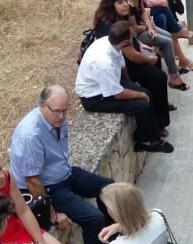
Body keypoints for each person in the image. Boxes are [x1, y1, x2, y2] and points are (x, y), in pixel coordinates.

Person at [9, 85, 114, 244]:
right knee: (94, 218)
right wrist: (53, 213)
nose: (62, 116)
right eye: (57, 111)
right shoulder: (30, 134)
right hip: (49, 187)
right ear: (42, 106)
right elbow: (32, 181)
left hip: (64, 173)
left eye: (65, 110)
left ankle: (112, 240)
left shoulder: (57, 121)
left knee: (111, 190)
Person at [75, 19, 174, 153]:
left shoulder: (111, 43)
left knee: (147, 93)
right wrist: (140, 94)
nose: (134, 38)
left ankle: (152, 132)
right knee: (142, 103)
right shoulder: (103, 62)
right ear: (126, 42)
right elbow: (116, 94)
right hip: (94, 97)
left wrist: (131, 85)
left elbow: (122, 67)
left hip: (109, 84)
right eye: (132, 37)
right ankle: (145, 141)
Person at [93, 0, 183, 101]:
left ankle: (160, 102)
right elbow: (131, 55)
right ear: (111, 6)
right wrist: (149, 59)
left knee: (156, 59)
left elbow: (132, 36)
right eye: (120, 3)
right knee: (159, 76)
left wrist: (140, 44)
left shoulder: (119, 16)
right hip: (122, 66)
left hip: (126, 59)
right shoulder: (110, 26)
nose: (125, 5)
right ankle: (159, 107)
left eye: (125, 1)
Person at [121, 0, 193, 75]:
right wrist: (147, 27)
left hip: (144, 27)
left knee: (168, 34)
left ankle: (173, 56)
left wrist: (150, 28)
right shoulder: (128, 4)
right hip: (136, 35)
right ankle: (174, 75)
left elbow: (143, 12)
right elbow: (134, 29)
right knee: (166, 41)